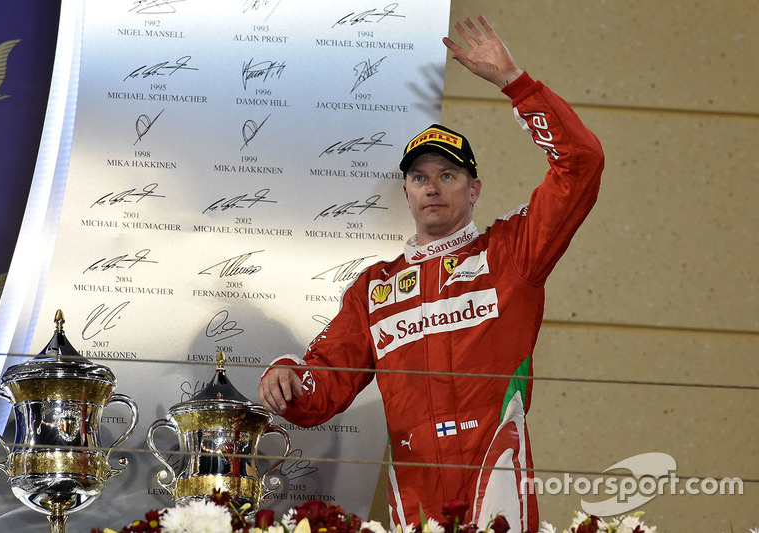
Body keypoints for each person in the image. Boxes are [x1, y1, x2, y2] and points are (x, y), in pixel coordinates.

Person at [259, 14, 604, 533]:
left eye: (448, 175)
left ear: (474, 189)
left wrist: (517, 84)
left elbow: (582, 166)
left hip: (498, 485)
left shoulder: (514, 253)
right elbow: (322, 389)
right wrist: (285, 377)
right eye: (420, 177)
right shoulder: (374, 289)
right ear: (406, 193)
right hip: (414, 496)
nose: (433, 187)